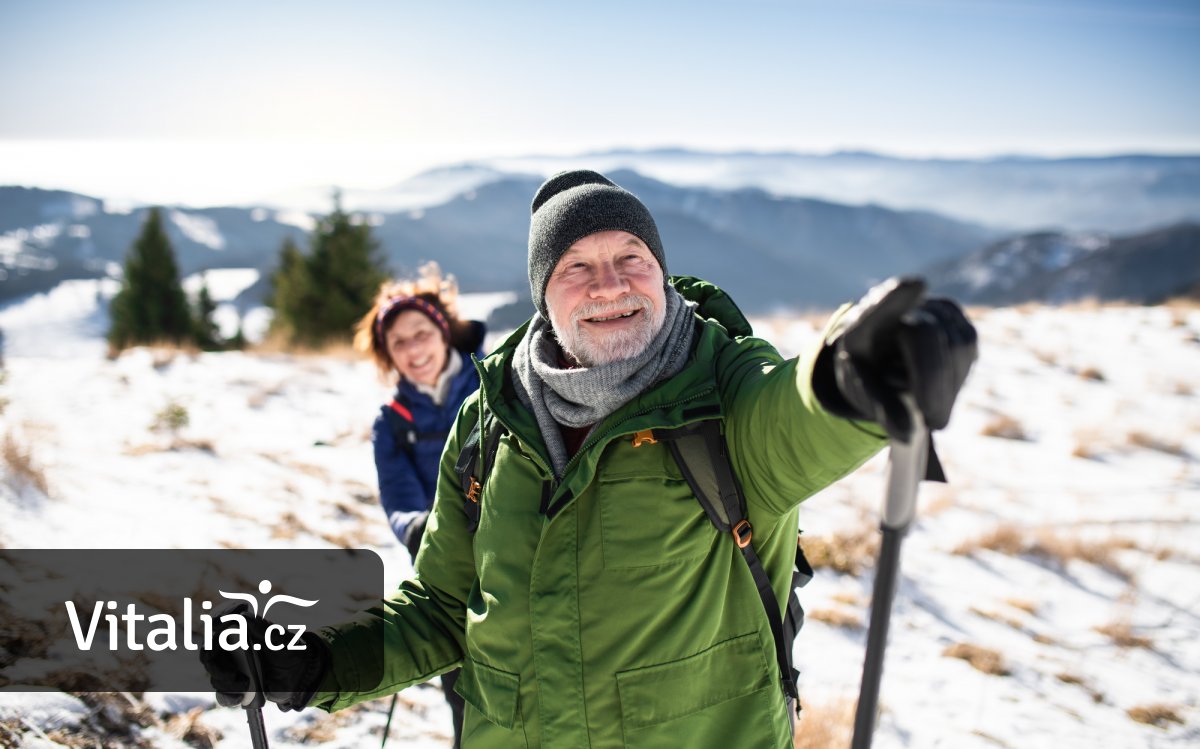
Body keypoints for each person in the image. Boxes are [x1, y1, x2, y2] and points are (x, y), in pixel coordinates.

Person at [204, 170, 977, 748]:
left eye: (632, 257)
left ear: (663, 272)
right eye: (577, 266)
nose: (609, 284)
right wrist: (311, 663)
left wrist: (855, 374)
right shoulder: (490, 422)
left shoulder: (723, 393)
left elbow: (798, 416)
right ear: (545, 294)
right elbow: (442, 610)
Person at [351, 262, 485, 749]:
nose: (413, 350)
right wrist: (424, 529)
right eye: (398, 343)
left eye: (420, 334)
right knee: (464, 694)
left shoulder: (496, 386)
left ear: (443, 331)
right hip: (444, 575)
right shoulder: (393, 422)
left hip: (512, 557)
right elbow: (399, 499)